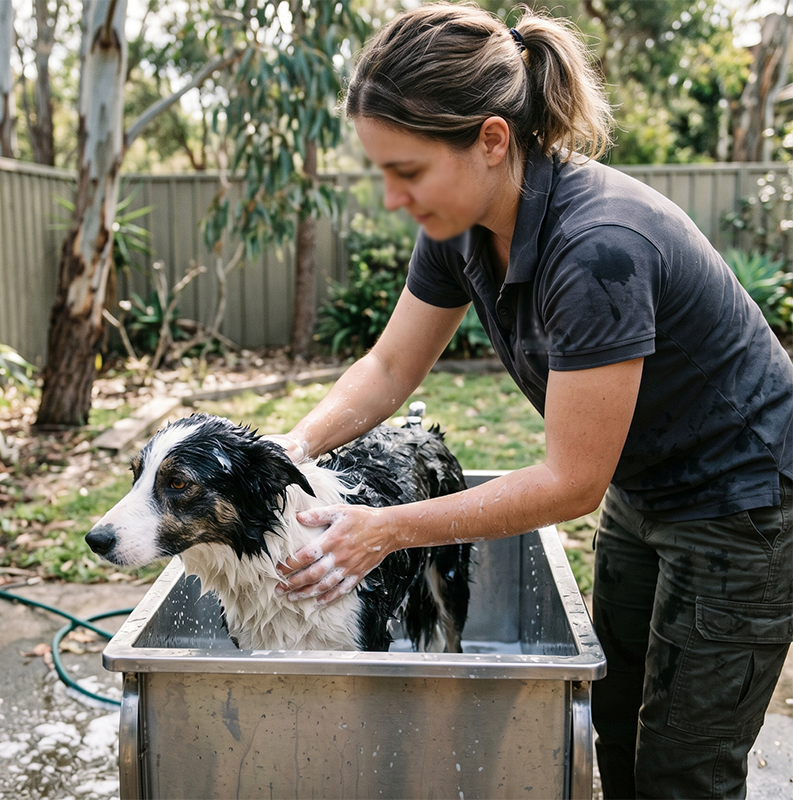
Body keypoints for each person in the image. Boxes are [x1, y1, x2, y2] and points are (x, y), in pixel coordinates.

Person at [270, 4, 793, 798]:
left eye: (407, 171)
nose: (390, 198)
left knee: (684, 770)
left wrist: (385, 530)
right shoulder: (460, 226)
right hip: (646, 484)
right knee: (612, 725)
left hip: (744, 501)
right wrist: (286, 454)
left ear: (491, 139)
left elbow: (568, 483)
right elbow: (387, 369)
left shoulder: (599, 248)